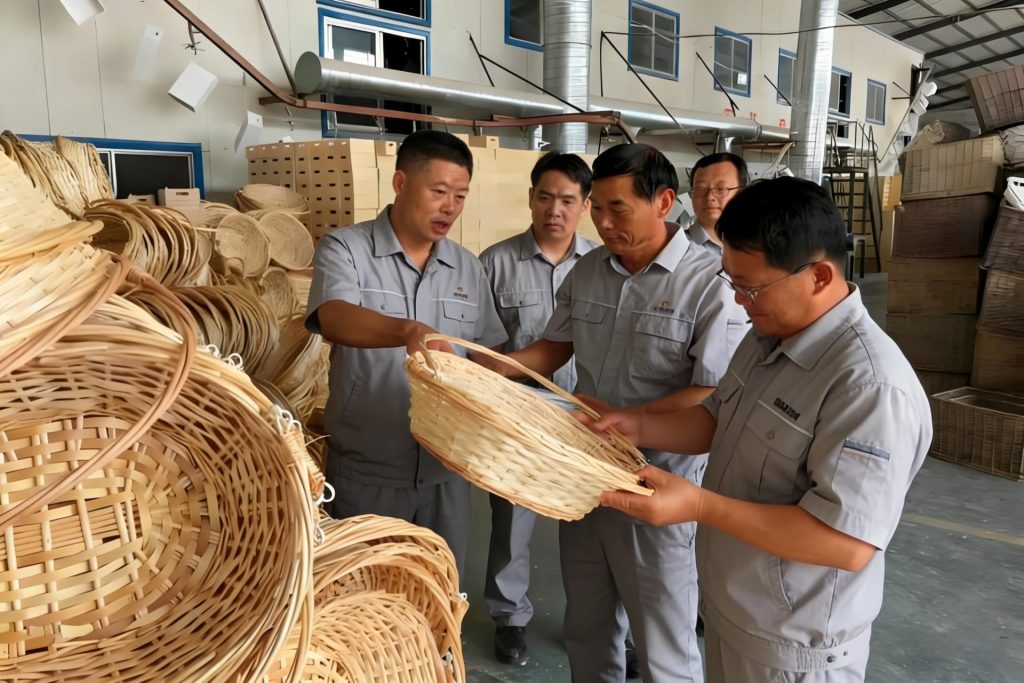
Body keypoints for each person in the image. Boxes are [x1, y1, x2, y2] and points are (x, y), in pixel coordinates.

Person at [591, 176, 932, 683]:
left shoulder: (870, 387)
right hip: (736, 612)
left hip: (794, 649)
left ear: (818, 276)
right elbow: (717, 417)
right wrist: (634, 427)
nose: (739, 301)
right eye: (733, 283)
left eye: (751, 287)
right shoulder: (768, 334)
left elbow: (846, 543)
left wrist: (699, 505)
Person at [478, 143, 748, 682]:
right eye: (596, 208)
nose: (601, 223)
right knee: (588, 625)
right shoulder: (589, 271)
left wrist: (630, 418)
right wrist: (488, 367)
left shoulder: (709, 284)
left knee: (663, 642)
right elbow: (554, 347)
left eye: (617, 209)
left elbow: (711, 393)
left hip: (657, 485)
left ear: (664, 202)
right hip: (585, 477)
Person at [305, 130, 507, 579]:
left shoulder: (467, 267)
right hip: (368, 470)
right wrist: (408, 330)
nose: (450, 207)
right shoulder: (346, 249)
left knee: (441, 590)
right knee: (363, 593)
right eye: (439, 191)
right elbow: (333, 316)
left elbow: (487, 356)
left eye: (460, 196)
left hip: (446, 471)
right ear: (400, 183)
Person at [478, 151, 598, 666]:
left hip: (586, 417)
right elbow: (482, 347)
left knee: (593, 525)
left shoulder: (600, 267)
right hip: (518, 417)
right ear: (530, 198)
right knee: (512, 519)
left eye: (568, 200)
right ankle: (510, 617)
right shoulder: (494, 263)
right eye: (545, 197)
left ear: (585, 205)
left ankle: (598, 623)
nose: (555, 210)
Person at [685, 152, 749, 257]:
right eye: (700, 189)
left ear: (741, 194)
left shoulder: (756, 246)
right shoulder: (677, 247)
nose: (710, 197)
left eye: (721, 189)